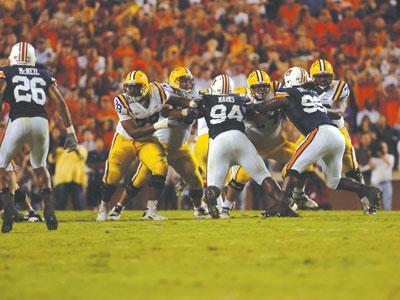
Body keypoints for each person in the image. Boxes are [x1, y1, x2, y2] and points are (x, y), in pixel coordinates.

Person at [249, 67, 382, 217]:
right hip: (336, 135)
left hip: (321, 132)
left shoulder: (289, 91)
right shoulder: (311, 92)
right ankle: (370, 191)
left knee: (293, 167)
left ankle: (282, 206)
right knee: (333, 181)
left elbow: (270, 104)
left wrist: (254, 106)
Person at [108, 67, 209, 220]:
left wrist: (199, 108)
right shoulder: (162, 91)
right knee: (139, 179)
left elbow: (206, 105)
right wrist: (183, 112)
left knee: (195, 179)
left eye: (189, 81)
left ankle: (199, 208)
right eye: (183, 80)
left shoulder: (195, 96)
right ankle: (119, 207)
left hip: (179, 147)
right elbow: (165, 111)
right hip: (159, 143)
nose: (187, 84)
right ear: (174, 81)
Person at [0, 42, 78, 233]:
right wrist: (70, 131)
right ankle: (49, 210)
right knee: (40, 165)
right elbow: (59, 101)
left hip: (18, 120)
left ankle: (8, 208)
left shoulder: (6, 72)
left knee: (2, 163)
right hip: (41, 122)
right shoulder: (43, 74)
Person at [222, 69, 317, 218]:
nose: (261, 91)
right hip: (254, 148)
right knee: (240, 178)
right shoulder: (241, 94)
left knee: (308, 163)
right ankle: (226, 206)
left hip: (278, 143)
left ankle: (299, 194)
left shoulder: (276, 88)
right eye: (257, 88)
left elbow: (293, 93)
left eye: (263, 87)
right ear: (249, 88)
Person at [197, 74, 283, 218]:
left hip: (218, 141)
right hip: (240, 138)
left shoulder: (207, 99)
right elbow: (256, 118)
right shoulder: (241, 97)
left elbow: (193, 113)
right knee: (263, 176)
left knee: (215, 184)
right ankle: (283, 203)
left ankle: (212, 196)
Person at [96, 70, 176, 221]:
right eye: (129, 87)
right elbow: (133, 132)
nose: (132, 91)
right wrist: (158, 126)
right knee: (113, 175)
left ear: (145, 87)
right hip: (125, 139)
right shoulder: (122, 101)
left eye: (136, 87)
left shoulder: (158, 91)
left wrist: (191, 104)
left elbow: (176, 99)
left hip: (146, 141)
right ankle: (104, 206)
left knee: (161, 166)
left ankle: (151, 211)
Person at [369, 141, 394, 210]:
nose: (383, 149)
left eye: (384, 147)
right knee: (376, 204)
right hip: (376, 184)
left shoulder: (390, 157)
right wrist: (373, 154)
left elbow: (389, 163)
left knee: (387, 204)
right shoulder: (374, 158)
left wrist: (381, 155)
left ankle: (387, 219)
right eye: (381, 147)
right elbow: (370, 167)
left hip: (387, 183)